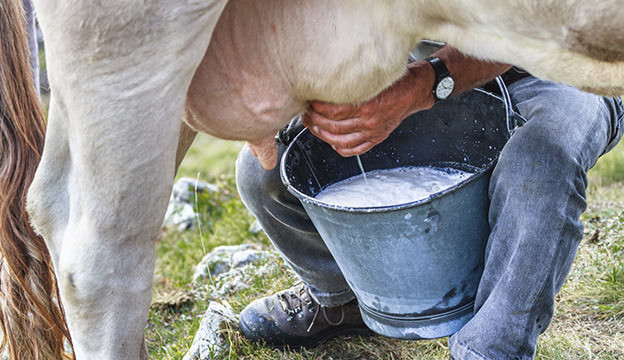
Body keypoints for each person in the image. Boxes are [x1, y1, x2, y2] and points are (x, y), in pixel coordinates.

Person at [234, 44, 624, 359]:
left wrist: (422, 86)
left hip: (565, 67)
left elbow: (537, 26)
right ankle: (346, 297)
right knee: (265, 170)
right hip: (416, 58)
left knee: (540, 164)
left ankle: (490, 348)